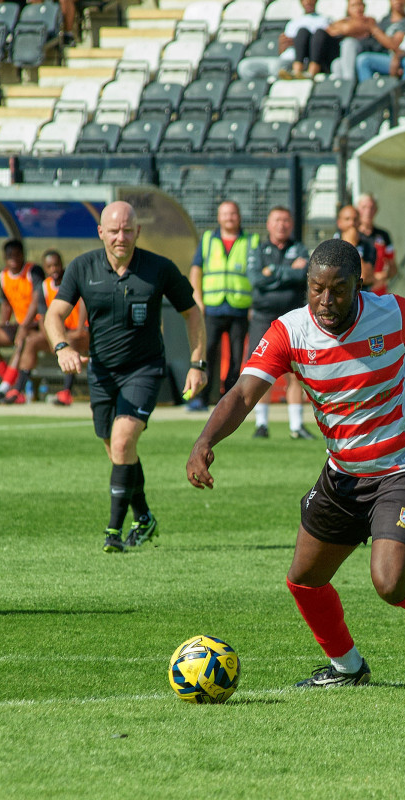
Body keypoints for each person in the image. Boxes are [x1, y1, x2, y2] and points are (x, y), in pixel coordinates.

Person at [185, 238, 405, 688]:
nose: (326, 301)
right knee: (304, 579)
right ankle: (348, 668)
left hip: (404, 468)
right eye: (317, 289)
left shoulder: (390, 312)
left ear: (358, 285)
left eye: (338, 290)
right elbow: (244, 393)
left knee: (388, 584)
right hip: (343, 473)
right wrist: (205, 440)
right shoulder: (289, 332)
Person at [44, 201, 206, 554]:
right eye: (113, 230)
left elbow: (192, 314)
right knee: (119, 450)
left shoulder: (158, 268)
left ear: (138, 232)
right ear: (100, 232)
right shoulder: (82, 267)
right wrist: (61, 348)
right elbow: (54, 314)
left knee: (122, 442)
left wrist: (198, 364)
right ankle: (144, 516)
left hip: (145, 370)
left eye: (127, 229)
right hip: (101, 373)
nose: (121, 236)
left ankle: (113, 532)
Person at [246, 206, 316, 440]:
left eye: (286, 220)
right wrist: (286, 272)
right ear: (268, 224)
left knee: (296, 372)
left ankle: (296, 427)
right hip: (262, 318)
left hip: (293, 317)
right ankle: (261, 425)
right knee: (260, 371)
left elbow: (303, 275)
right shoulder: (258, 249)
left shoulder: (300, 248)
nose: (281, 225)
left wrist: (272, 273)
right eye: (277, 220)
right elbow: (256, 279)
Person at [187, 200, 258, 413]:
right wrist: (197, 299)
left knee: (237, 357)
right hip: (212, 307)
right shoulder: (208, 239)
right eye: (225, 214)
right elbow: (196, 270)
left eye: (233, 213)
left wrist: (253, 304)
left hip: (239, 307)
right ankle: (200, 397)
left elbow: (256, 275)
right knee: (206, 353)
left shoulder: (251, 240)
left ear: (239, 216)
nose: (229, 217)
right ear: (218, 217)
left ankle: (228, 399)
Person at [0, 239, 45, 404]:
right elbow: (6, 302)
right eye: (9, 255)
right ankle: (10, 382)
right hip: (19, 324)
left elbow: (37, 301)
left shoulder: (33, 271)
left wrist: (23, 327)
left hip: (37, 324)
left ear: (23, 255)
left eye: (17, 255)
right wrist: (4, 323)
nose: (13, 259)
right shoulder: (3, 275)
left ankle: (6, 388)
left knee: (21, 342)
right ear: (4, 257)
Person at [38, 249, 88, 407]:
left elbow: (85, 303)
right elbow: (44, 317)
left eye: (56, 265)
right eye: (50, 266)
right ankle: (13, 388)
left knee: (69, 342)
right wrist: (53, 341)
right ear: (45, 268)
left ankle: (66, 392)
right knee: (29, 342)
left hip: (83, 331)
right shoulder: (44, 286)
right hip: (60, 333)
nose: (54, 269)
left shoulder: (73, 279)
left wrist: (80, 328)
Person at [286, 0, 374, 80]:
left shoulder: (369, 20)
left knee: (348, 42)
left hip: (358, 53)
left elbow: (350, 29)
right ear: (348, 8)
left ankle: (313, 73)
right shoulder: (343, 21)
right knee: (304, 32)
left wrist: (342, 29)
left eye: (359, 5)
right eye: (354, 6)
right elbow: (330, 29)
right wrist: (344, 29)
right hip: (340, 56)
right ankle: (297, 71)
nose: (357, 9)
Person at [354, 0, 405, 83]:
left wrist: (374, 29)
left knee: (364, 60)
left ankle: (368, 91)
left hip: (396, 58)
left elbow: (394, 45)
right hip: (380, 53)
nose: (398, 1)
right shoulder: (385, 20)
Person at [356, 192, 398, 295]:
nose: (368, 211)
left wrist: (384, 275)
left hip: (378, 294)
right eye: (364, 207)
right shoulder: (351, 235)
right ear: (357, 210)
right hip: (357, 294)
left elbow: (393, 268)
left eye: (371, 208)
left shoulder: (383, 235)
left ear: (376, 210)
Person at [334, 204, 378, 291]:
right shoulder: (332, 245)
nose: (351, 223)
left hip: (360, 296)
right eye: (347, 219)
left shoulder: (368, 244)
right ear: (339, 223)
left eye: (355, 219)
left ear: (359, 222)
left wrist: (352, 246)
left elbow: (365, 276)